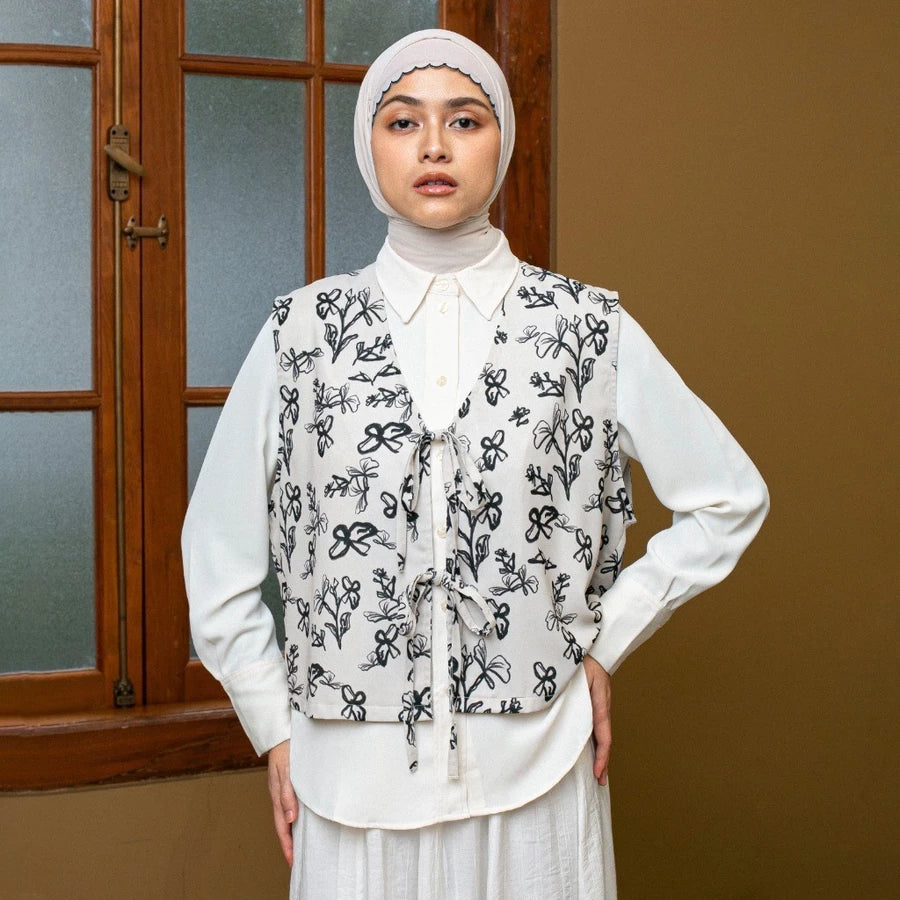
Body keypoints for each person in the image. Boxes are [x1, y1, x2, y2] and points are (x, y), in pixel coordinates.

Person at [182, 29, 769, 900]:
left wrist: (603, 643)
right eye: (401, 121)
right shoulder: (301, 336)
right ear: (367, 145)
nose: (432, 146)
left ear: (502, 144)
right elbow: (219, 556)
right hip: (351, 788)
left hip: (536, 773)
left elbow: (729, 496)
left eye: (463, 119)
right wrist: (274, 727)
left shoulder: (586, 330)